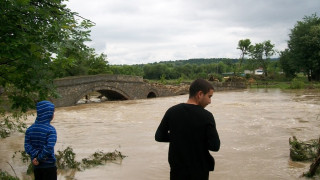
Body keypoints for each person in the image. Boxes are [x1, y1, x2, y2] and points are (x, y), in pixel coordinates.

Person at [155, 79, 220, 180]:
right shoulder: (207, 116)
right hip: (199, 172)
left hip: (177, 172)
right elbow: (215, 146)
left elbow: (159, 136)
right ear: (200, 94)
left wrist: (179, 136)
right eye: (209, 96)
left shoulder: (172, 111)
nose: (210, 101)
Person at [24, 100, 57, 180]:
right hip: (49, 166)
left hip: (36, 166)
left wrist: (35, 157)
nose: (53, 115)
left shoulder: (30, 129)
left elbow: (27, 146)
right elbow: (49, 147)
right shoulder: (51, 130)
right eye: (52, 112)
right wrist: (39, 158)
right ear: (48, 114)